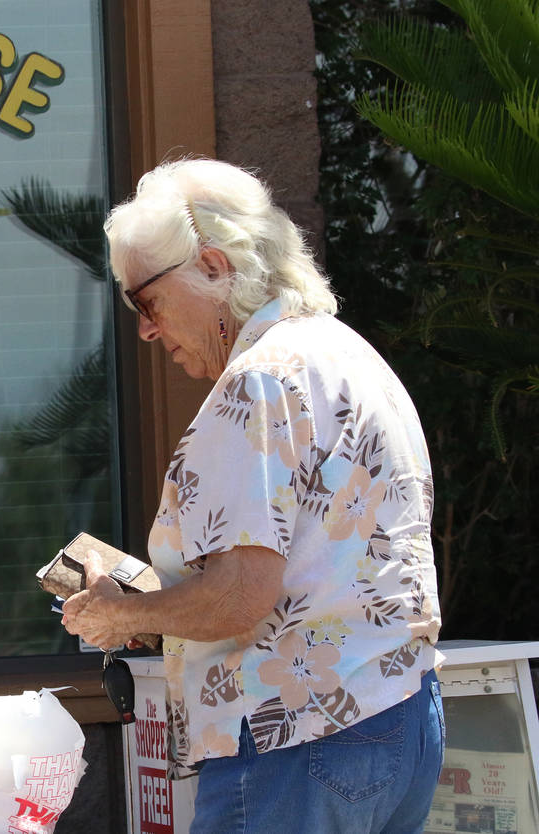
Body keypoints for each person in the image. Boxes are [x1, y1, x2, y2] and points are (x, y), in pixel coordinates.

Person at [61, 158, 444, 833]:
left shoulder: (257, 382)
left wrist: (120, 617)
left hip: (296, 738)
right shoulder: (347, 354)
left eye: (144, 301)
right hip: (398, 716)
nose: (144, 328)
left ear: (213, 266)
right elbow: (309, 574)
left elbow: (239, 599)